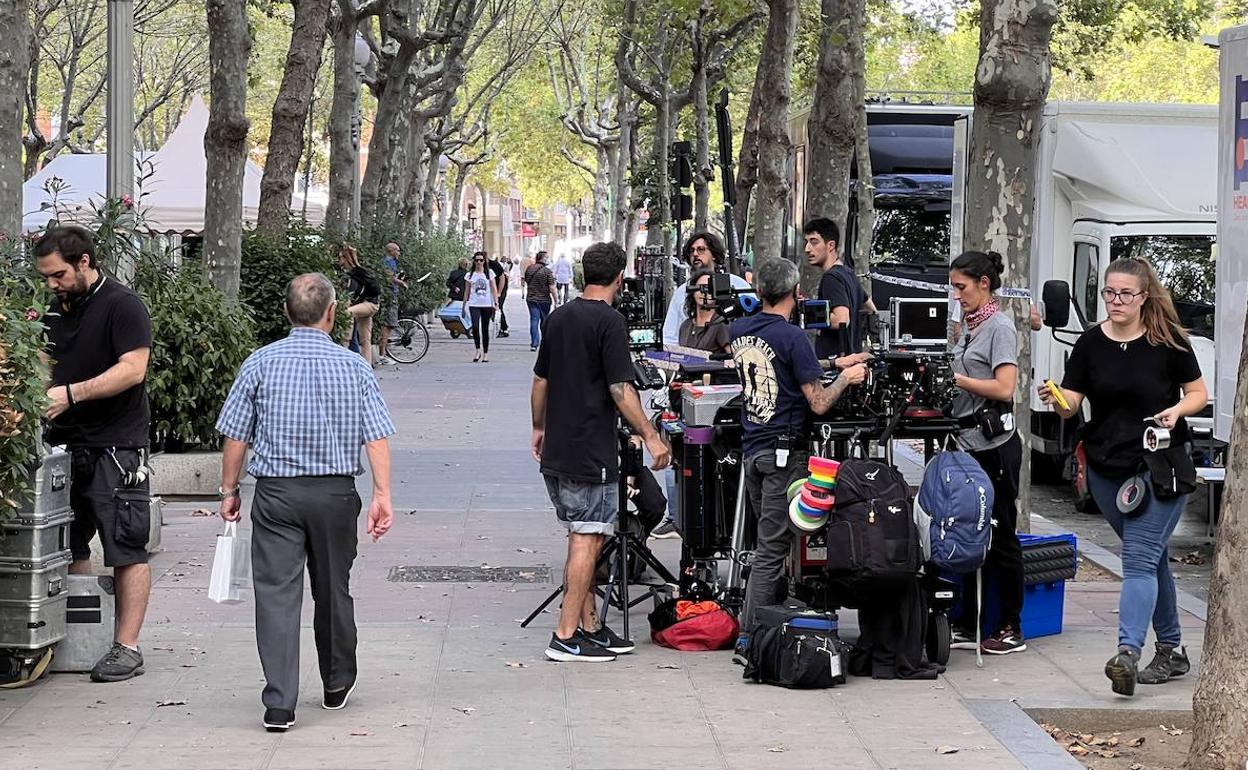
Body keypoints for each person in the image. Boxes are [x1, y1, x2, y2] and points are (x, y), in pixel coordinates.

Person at [215, 273, 395, 732]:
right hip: (335, 494)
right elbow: (375, 437)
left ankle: (279, 702)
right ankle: (336, 683)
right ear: (333, 314)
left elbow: (236, 435)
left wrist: (229, 490)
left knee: (276, 594)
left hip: (277, 495)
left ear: (286, 312)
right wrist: (382, 494)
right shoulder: (354, 366)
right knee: (333, 587)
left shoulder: (260, 362)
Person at [1040, 257, 1207, 697]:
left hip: (1160, 466)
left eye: (1125, 294)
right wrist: (1056, 397)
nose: (1115, 301)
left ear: (1144, 296)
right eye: (1109, 293)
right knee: (1149, 560)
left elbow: (1198, 394)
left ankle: (1127, 653)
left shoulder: (1168, 341)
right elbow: (1071, 404)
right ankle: (1172, 649)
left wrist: (1176, 411)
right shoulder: (1091, 343)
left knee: (1137, 557)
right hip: (1104, 467)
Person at [531, 241, 672, 662]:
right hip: (590, 451)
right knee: (586, 539)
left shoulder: (558, 318)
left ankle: (590, 625)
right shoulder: (610, 321)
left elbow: (541, 382)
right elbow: (620, 389)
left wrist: (539, 427)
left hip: (558, 449)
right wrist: (649, 434)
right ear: (619, 277)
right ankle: (565, 634)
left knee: (583, 537)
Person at [729, 258, 867, 662]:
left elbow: (779, 367)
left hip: (754, 450)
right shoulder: (793, 337)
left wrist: (828, 364)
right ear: (795, 292)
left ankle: (766, 624)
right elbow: (819, 402)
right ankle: (750, 638)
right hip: (783, 455)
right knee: (773, 550)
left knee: (768, 544)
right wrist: (846, 377)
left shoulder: (739, 331)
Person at [35, 225, 153, 683]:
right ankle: (84, 636)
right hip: (66, 443)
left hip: (117, 444)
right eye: (46, 277)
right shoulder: (54, 308)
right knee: (69, 544)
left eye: (59, 275)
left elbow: (132, 369)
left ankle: (127, 646)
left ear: (84, 262)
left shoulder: (123, 305)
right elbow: (44, 362)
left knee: (126, 545)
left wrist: (70, 394)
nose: (52, 285)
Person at [947, 251, 1027, 656]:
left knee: (1001, 534)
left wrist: (957, 379)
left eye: (961, 287)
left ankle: (1011, 625)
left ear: (984, 283)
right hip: (967, 445)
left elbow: (1005, 388)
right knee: (967, 530)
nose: (956, 295)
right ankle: (968, 619)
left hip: (994, 448)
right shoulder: (969, 326)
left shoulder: (999, 327)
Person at [649, 269, 735, 541]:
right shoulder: (686, 325)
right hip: (681, 397)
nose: (704, 294)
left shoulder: (723, 324)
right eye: (699, 288)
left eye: (709, 288)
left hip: (709, 403)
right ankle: (678, 517)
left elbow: (733, 362)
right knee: (675, 456)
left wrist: (705, 361)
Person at [662, 232, 752, 348]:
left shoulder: (736, 283)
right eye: (692, 251)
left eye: (701, 249)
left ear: (714, 254)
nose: (695, 254)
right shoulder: (682, 292)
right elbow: (670, 335)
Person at [803, 218, 876, 360]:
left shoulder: (831, 278)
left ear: (831, 245)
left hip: (836, 365)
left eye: (814, 241)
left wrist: (805, 312)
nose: (807, 249)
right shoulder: (848, 273)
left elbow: (841, 320)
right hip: (853, 361)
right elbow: (872, 310)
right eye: (806, 242)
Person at [336, 245, 381, 365]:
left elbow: (349, 297)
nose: (338, 261)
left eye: (340, 258)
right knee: (365, 340)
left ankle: (345, 343)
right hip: (370, 304)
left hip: (369, 304)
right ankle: (367, 367)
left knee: (347, 313)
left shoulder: (353, 275)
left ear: (345, 258)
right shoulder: (359, 271)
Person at [377, 242, 409, 363]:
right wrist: (401, 283)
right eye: (398, 251)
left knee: (388, 325)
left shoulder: (388, 262)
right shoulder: (389, 262)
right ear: (392, 251)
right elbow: (389, 278)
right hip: (390, 296)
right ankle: (382, 355)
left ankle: (384, 352)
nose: (399, 253)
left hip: (389, 294)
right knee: (388, 324)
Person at [465, 252, 499, 362]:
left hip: (486, 304)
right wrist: (464, 305)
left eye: (481, 260)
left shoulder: (489, 273)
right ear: (474, 261)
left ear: (484, 261)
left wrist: (496, 303)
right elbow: (467, 291)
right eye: (477, 260)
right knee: (475, 327)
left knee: (485, 329)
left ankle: (485, 353)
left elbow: (494, 289)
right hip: (474, 304)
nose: (479, 262)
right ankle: (477, 350)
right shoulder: (470, 275)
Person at [524, 251, 558, 352]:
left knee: (534, 320)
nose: (548, 259)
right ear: (542, 259)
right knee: (544, 322)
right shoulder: (547, 271)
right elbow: (552, 288)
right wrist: (556, 300)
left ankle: (534, 344)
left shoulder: (529, 269)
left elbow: (526, 280)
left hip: (531, 298)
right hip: (544, 300)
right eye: (547, 257)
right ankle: (545, 343)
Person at [488, 254, 510, 338]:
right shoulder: (479, 266)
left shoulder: (494, 265)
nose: (479, 262)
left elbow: (502, 278)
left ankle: (504, 329)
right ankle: (501, 326)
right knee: (493, 309)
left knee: (498, 307)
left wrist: (499, 292)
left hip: (501, 288)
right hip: (492, 289)